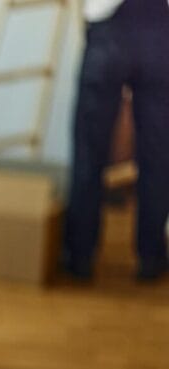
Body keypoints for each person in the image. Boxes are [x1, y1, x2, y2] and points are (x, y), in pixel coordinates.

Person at [61, 0, 169, 282]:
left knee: (89, 149)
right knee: (157, 155)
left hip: (108, 26)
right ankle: (151, 257)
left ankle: (79, 256)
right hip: (160, 27)